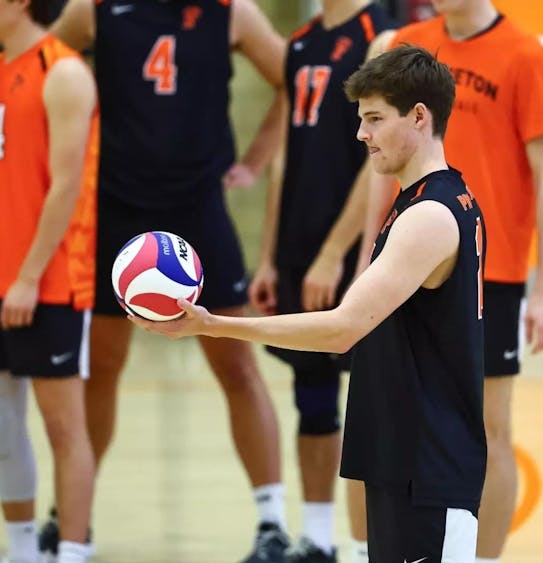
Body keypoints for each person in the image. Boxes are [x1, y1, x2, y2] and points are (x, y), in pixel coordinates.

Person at [135, 44, 487, 563]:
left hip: (427, 471)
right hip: (408, 458)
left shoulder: (429, 217)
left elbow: (342, 328)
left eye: (373, 118)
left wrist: (213, 325)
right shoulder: (428, 200)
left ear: (419, 117)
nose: (361, 133)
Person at [49, 0, 290, 560]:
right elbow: (42, 66)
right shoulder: (95, 10)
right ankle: (70, 520)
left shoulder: (230, 13)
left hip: (197, 210)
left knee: (236, 362)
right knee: (101, 366)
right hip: (117, 209)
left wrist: (255, 160)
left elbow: (295, 82)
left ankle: (272, 521)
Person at [360, 2, 543, 560]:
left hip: (488, 270)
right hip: (406, 263)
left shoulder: (526, 56)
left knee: (489, 428)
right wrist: (361, 262)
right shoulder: (409, 41)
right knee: (389, 417)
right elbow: (377, 169)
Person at [0, 0, 98, 561]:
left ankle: (74, 550)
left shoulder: (62, 72)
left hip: (51, 279)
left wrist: (29, 276)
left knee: (64, 424)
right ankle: (21, 548)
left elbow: (65, 186)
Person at [249, 1, 393, 561]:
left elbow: (378, 158)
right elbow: (284, 156)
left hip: (354, 248)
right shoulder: (303, 41)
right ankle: (315, 538)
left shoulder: (379, 35)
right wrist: (267, 256)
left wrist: (336, 252)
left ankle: (363, 547)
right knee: (311, 397)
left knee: (367, 404)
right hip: (297, 243)